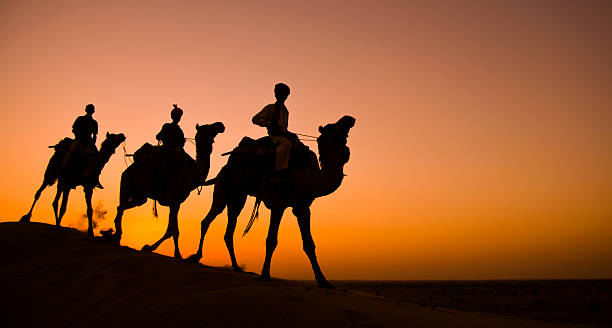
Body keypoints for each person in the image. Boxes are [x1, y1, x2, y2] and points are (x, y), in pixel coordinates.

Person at [252, 83, 295, 180]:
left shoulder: (285, 111)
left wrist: (288, 133)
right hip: (275, 137)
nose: (283, 96)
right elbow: (255, 119)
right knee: (286, 144)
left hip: (283, 135)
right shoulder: (271, 108)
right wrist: (269, 123)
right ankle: (280, 171)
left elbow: (284, 128)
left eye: (285, 94)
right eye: (281, 93)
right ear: (276, 95)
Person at [64, 104, 102, 189]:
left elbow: (95, 135)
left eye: (91, 110)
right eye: (89, 109)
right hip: (79, 140)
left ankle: (95, 179)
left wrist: (92, 143)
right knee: (71, 153)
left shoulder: (94, 122)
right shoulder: (80, 119)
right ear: (87, 110)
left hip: (89, 143)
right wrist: (79, 136)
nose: (90, 111)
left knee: (97, 160)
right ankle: (65, 170)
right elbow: (74, 129)